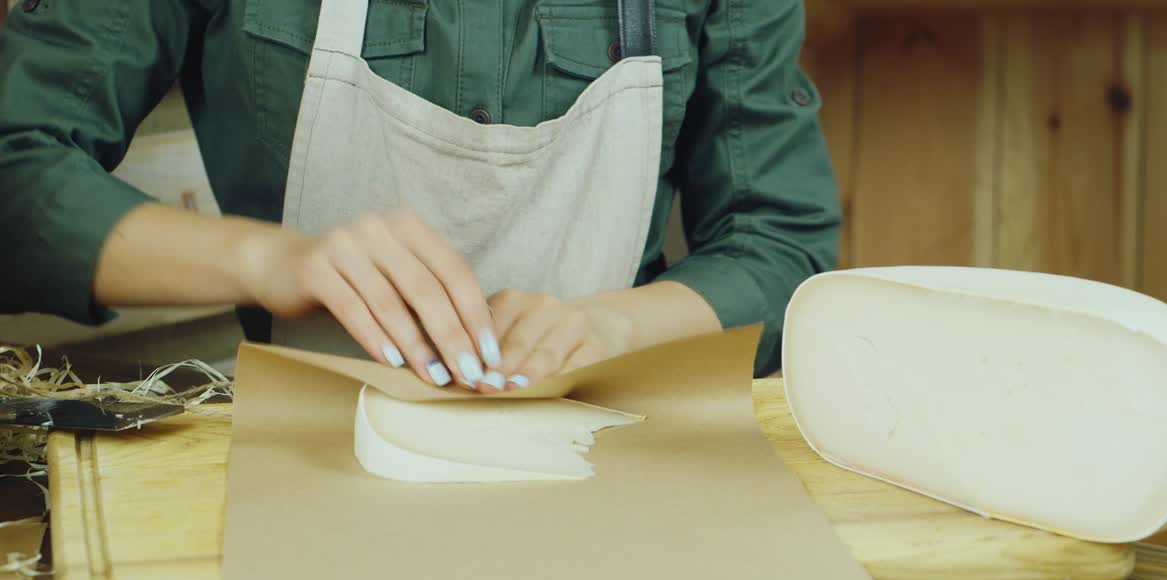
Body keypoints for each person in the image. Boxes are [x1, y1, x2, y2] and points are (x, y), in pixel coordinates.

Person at [0, 0, 840, 393]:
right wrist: (268, 260)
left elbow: (780, 245)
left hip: (613, 453)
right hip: (298, 465)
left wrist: (608, 326)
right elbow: (15, 168)